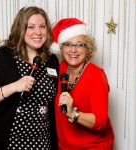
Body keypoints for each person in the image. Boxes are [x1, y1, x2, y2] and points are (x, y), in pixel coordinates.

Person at [0, 6, 59, 150]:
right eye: (31, 27)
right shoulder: (2, 56)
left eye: (42, 27)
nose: (38, 32)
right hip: (8, 141)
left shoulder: (51, 60)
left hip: (42, 142)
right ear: (21, 29)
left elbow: (51, 105)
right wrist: (14, 86)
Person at [50, 18, 114, 150]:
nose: (73, 50)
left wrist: (73, 113)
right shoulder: (62, 68)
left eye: (79, 45)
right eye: (68, 44)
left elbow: (101, 122)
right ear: (62, 48)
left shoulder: (96, 75)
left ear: (88, 48)